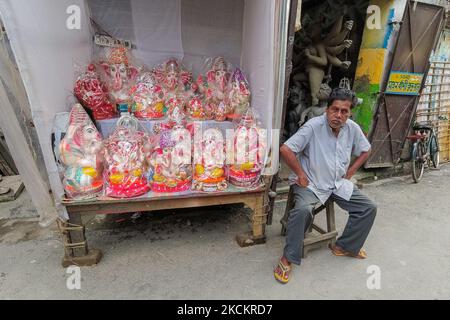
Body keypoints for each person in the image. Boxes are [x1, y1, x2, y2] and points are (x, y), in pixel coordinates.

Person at [274, 88, 377, 284]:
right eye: (334, 109)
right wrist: (301, 175)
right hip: (312, 183)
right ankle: (288, 258)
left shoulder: (352, 128)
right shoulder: (313, 126)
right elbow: (286, 149)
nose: (338, 115)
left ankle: (345, 246)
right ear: (327, 110)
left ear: (349, 113)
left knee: (368, 208)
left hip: (337, 183)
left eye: (344, 111)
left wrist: (351, 172)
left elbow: (366, 150)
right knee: (303, 210)